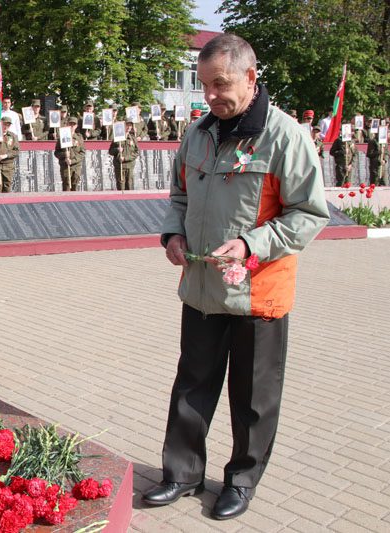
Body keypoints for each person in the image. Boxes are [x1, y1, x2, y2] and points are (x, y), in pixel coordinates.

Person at [142, 34, 329, 520]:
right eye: (203, 86)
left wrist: (251, 245)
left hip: (257, 294)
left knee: (252, 399)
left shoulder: (284, 136)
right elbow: (179, 196)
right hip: (202, 289)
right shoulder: (199, 133)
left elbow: (309, 213)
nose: (210, 97)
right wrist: (173, 236)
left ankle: (241, 481)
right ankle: (181, 474)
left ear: (250, 77)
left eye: (219, 85)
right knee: (192, 385)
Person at [54, 116, 85, 191]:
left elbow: (82, 153)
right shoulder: (62, 137)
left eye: (73, 124)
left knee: (75, 186)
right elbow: (56, 153)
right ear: (67, 124)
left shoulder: (79, 137)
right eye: (70, 124)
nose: (71, 126)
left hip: (76, 166)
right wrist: (64, 154)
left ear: (76, 126)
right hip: (65, 166)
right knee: (66, 186)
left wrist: (73, 160)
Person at [108, 120, 139, 190]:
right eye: (127, 125)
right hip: (120, 166)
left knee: (129, 185)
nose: (129, 127)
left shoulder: (133, 138)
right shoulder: (117, 138)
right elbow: (110, 151)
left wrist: (125, 158)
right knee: (121, 187)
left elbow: (137, 152)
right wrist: (117, 150)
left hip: (130, 166)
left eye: (130, 125)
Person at [0, 115, 19, 192]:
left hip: (8, 166)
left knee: (7, 188)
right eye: (4, 124)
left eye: (8, 125)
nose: (6, 127)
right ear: (0, 123)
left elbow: (16, 151)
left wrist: (5, 156)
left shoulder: (13, 136)